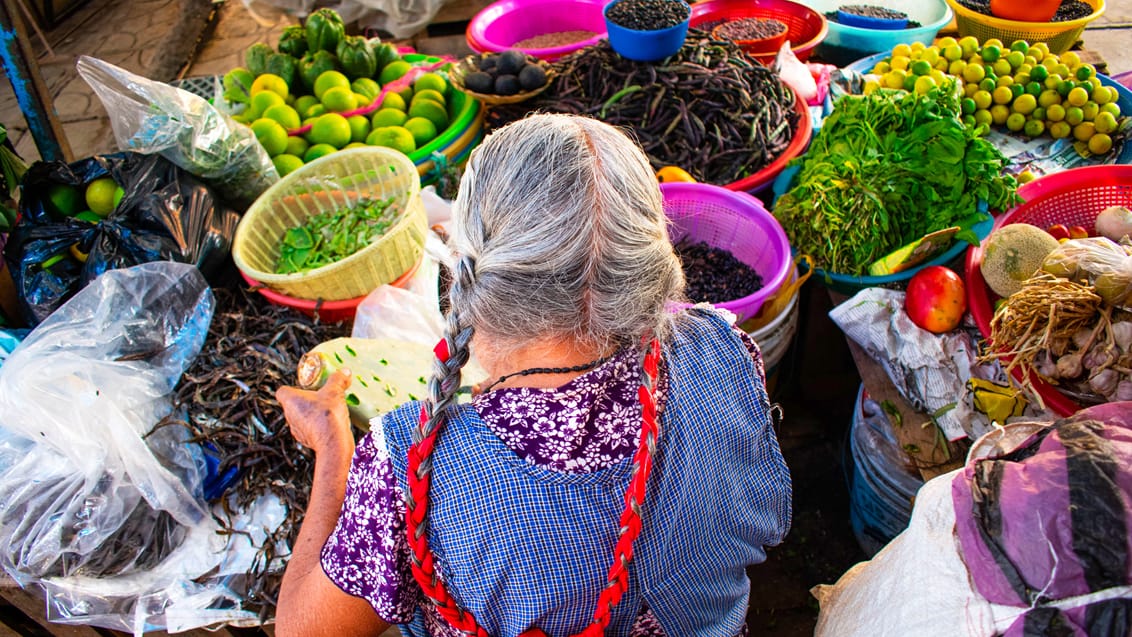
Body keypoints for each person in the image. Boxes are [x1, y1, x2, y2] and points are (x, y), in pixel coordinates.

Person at [274, 113, 792, 637]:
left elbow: (300, 631)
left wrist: (331, 448)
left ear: (467, 274)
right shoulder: (724, 348)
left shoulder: (407, 467)